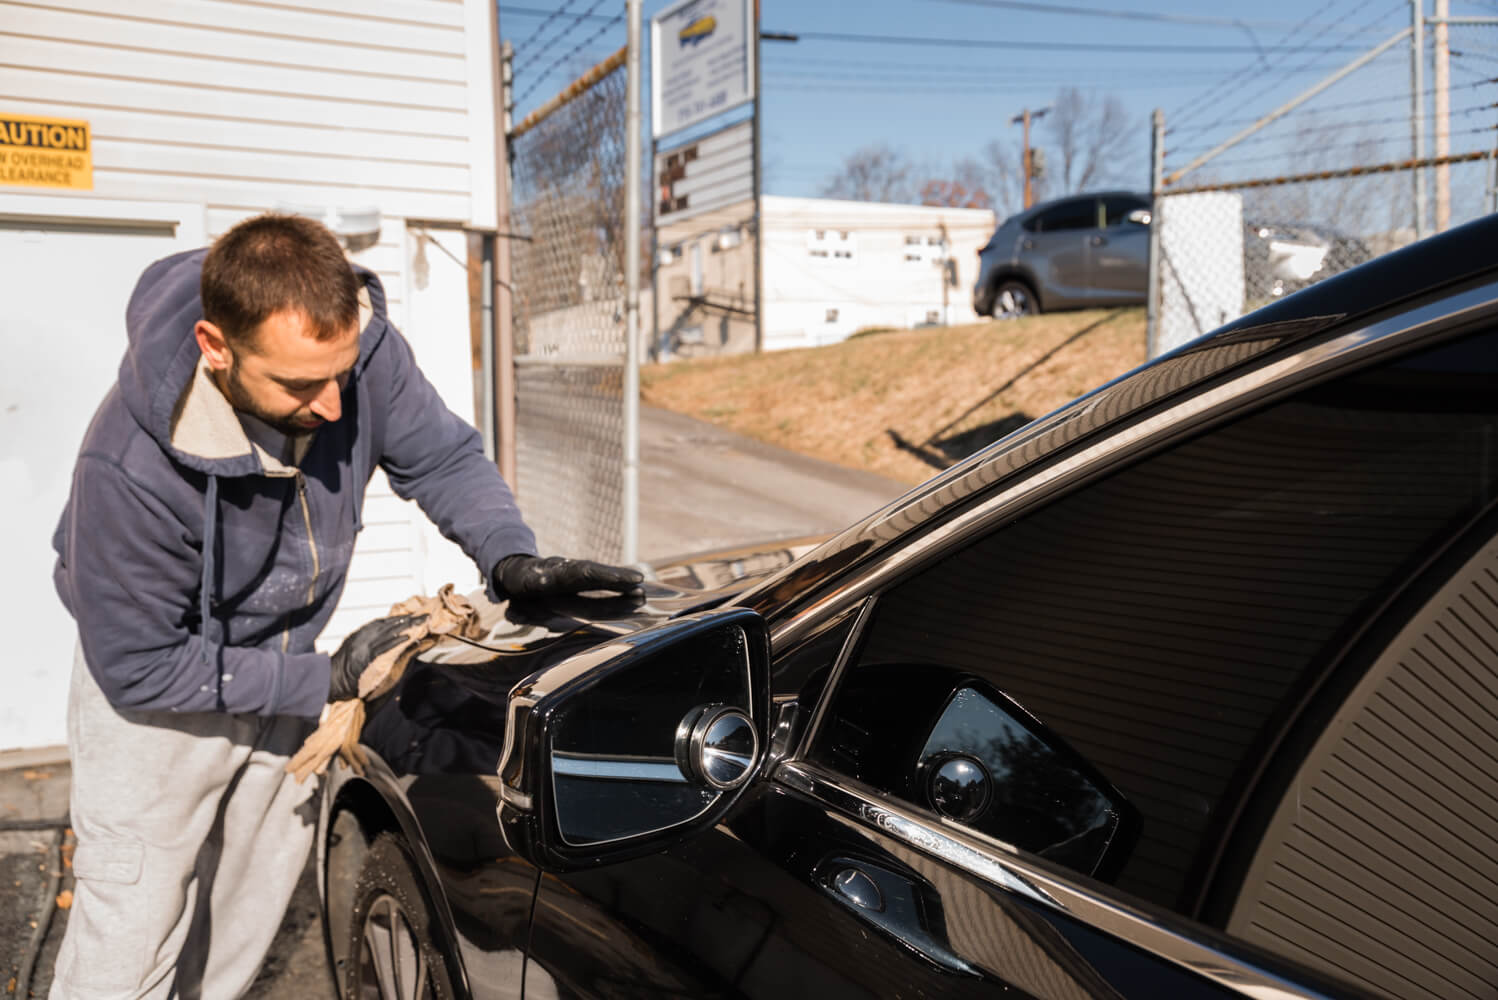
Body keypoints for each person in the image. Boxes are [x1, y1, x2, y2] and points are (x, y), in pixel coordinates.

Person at [47, 213, 641, 999]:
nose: (334, 407)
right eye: (299, 385)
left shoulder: (355, 355)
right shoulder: (127, 471)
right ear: (214, 347)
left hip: (291, 668)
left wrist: (508, 553)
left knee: (242, 910)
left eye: (343, 373)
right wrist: (326, 682)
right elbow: (138, 666)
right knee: (133, 919)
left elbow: (441, 455)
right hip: (158, 699)